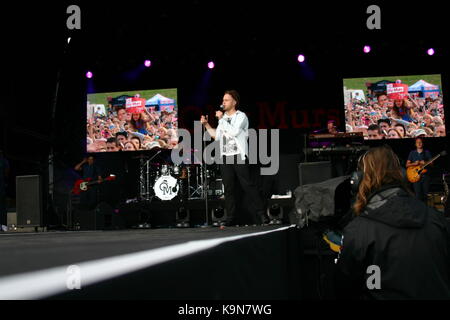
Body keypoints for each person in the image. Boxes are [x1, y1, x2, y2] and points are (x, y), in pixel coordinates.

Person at [335, 145, 450, 299]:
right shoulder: (437, 219)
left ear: (358, 180)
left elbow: (344, 289)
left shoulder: (358, 231)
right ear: (402, 175)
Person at [200, 90, 267, 225]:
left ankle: (262, 214)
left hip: (238, 155)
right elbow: (217, 136)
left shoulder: (241, 116)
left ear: (234, 102)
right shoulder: (223, 120)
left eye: (226, 100)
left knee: (247, 185)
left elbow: (234, 132)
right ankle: (231, 218)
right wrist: (207, 125)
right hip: (225, 156)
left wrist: (221, 119)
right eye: (223, 100)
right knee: (229, 188)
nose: (223, 102)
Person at [406, 137, 432, 202]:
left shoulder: (427, 152)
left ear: (422, 143)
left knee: (425, 196)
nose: (419, 143)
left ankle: (426, 211)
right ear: (415, 144)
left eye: (420, 142)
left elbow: (432, 164)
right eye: (417, 142)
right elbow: (407, 165)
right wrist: (414, 163)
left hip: (425, 177)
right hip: (416, 177)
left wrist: (425, 162)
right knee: (417, 196)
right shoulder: (412, 153)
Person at [0, 149, 10, 232]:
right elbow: (7, 173)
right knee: (2, 207)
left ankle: (3, 225)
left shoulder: (4, 161)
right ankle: (3, 225)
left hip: (2, 187)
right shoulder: (4, 161)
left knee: (2, 207)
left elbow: (6, 173)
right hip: (2, 187)